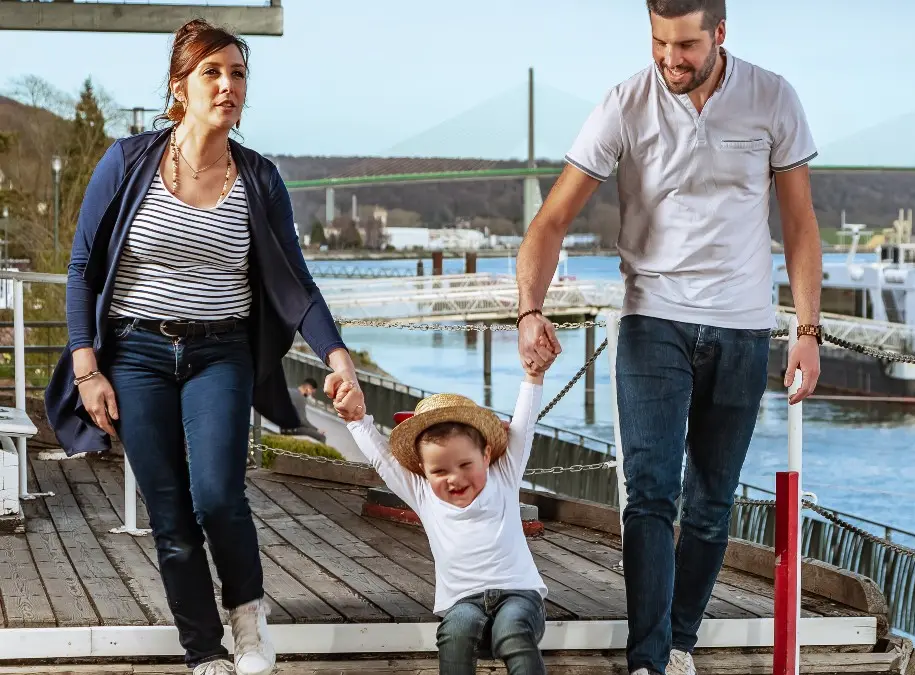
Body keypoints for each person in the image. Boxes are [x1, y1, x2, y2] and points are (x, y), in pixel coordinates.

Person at [43, 19, 367, 675]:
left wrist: (339, 358)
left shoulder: (260, 179)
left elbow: (295, 282)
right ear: (180, 87)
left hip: (222, 352)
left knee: (218, 493)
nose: (227, 85)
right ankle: (204, 651)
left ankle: (249, 623)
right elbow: (82, 269)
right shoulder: (127, 160)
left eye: (237, 73)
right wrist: (86, 368)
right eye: (212, 73)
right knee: (170, 512)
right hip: (135, 354)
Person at [514, 2, 823, 674]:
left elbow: (799, 224)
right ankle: (648, 660)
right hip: (652, 317)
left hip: (744, 326)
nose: (670, 60)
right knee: (649, 492)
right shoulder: (624, 103)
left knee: (713, 499)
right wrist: (529, 310)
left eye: (685, 46)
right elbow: (551, 221)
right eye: (659, 43)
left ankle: (680, 640)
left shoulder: (773, 97)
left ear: (720, 34)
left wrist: (807, 330)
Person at [340, 362, 550, 675]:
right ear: (422, 472)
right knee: (455, 632)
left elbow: (524, 424)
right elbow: (382, 459)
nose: (454, 478)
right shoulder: (422, 493)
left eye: (465, 464)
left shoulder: (504, 474)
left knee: (513, 630)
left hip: (519, 596)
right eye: (439, 470)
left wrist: (534, 375)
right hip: (463, 602)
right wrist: (357, 420)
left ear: (487, 455)